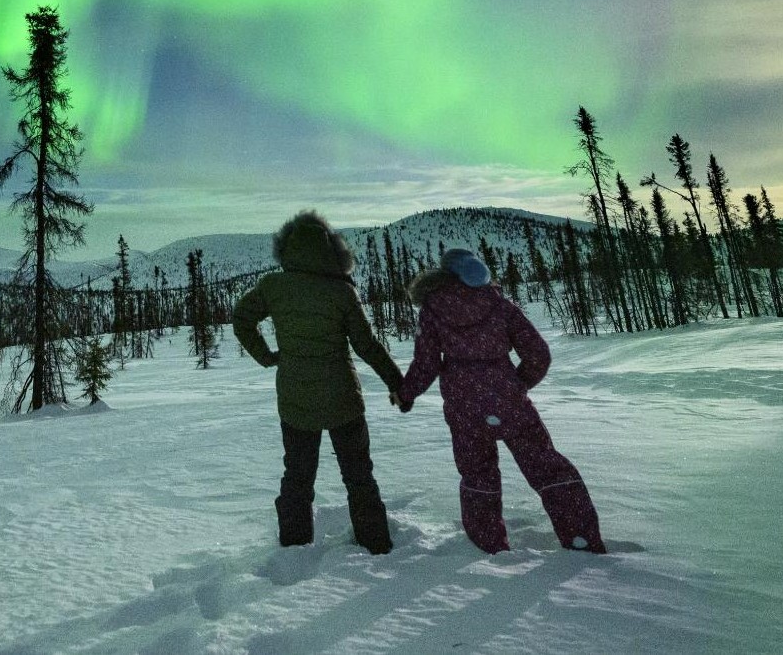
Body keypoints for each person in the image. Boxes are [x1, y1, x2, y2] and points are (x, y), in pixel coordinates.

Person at [397, 247, 606, 555]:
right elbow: (539, 355)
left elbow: (426, 363)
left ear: (444, 275)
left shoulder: (433, 309)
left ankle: (488, 548)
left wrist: (405, 393)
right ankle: (581, 540)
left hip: (463, 405)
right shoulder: (500, 305)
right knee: (547, 467)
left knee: (477, 475)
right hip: (509, 402)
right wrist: (516, 386)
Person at [233, 210, 405, 554]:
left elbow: (241, 319)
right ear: (331, 250)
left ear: (287, 248)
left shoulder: (273, 286)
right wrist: (396, 382)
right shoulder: (341, 291)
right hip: (343, 398)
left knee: (297, 478)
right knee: (359, 476)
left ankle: (295, 551)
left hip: (296, 401)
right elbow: (367, 345)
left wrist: (267, 356)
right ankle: (376, 544)